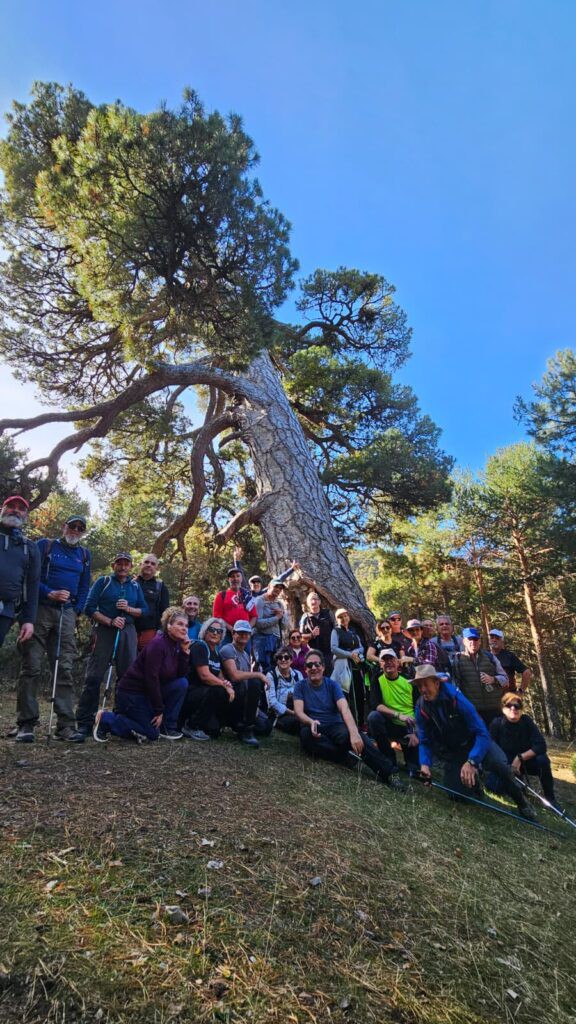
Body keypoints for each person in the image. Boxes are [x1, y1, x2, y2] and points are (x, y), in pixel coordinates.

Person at [413, 664, 536, 819]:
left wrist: (472, 761)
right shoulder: (421, 707)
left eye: (426, 685)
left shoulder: (456, 698)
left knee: (500, 765)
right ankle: (475, 784)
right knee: (455, 795)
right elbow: (424, 739)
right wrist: (424, 764)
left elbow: (481, 732)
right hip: (454, 750)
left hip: (477, 742)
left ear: (437, 683)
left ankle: (521, 802)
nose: (423, 690)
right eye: (419, 686)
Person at [14, 514, 91, 743]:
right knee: (32, 666)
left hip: (66, 614)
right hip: (40, 610)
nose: (76, 530)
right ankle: (26, 723)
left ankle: (65, 725)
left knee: (64, 667)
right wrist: (49, 592)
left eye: (80, 528)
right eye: (73, 526)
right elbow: (30, 577)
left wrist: (76, 609)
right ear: (64, 526)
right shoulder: (44, 546)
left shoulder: (84, 555)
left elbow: (85, 585)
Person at [293, 649, 406, 790]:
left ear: (323, 667)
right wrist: (310, 722)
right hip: (314, 726)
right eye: (310, 666)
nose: (314, 668)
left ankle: (390, 774)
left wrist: (354, 733)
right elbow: (298, 712)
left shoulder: (332, 685)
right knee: (305, 737)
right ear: (305, 669)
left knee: (360, 739)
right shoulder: (300, 686)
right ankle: (343, 757)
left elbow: (345, 709)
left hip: (335, 726)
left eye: (317, 664)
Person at [73, 553, 148, 740]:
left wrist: (129, 609)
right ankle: (84, 722)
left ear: (131, 567)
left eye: (126, 564)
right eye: (119, 564)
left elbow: (144, 610)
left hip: (127, 631)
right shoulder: (103, 582)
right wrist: (110, 621)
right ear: (113, 565)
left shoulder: (135, 585)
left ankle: (117, 720)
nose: (123, 567)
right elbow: (89, 607)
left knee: (126, 678)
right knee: (94, 676)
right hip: (105, 630)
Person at [93, 607, 190, 742]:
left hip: (147, 695)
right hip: (132, 694)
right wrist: (158, 710)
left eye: (186, 625)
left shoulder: (177, 645)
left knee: (181, 683)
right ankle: (107, 719)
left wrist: (185, 653)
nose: (184, 628)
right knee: (151, 733)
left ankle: (167, 727)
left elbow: (180, 674)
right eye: (180, 624)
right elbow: (151, 678)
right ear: (168, 626)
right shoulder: (158, 644)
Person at [487, 692, 559, 807]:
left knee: (543, 761)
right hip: (504, 764)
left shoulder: (527, 721)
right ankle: (516, 785)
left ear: (521, 709)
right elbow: (490, 748)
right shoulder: (496, 724)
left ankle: (551, 800)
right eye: (509, 705)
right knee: (494, 788)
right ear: (503, 708)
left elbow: (541, 745)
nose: (513, 708)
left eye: (517, 706)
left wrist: (520, 758)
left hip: (526, 762)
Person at [367, 649, 419, 771]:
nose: (388, 662)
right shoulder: (377, 679)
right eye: (385, 660)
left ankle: (413, 762)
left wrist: (415, 732)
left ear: (397, 662)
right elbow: (376, 705)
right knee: (373, 717)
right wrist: (398, 715)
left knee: (414, 769)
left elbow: (419, 707)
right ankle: (388, 757)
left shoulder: (409, 681)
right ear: (381, 664)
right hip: (390, 723)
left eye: (391, 659)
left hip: (409, 727)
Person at [0, 495, 40, 649]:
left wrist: (29, 620)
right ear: (2, 510)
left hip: (5, 611)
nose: (15, 511)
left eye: (21, 509)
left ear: (26, 517)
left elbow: (32, 585)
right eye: (11, 506)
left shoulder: (29, 547)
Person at [220, 620, 270, 741]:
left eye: (246, 633)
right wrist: (258, 674)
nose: (244, 635)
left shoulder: (246, 654)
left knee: (265, 728)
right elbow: (234, 676)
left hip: (245, 698)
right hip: (232, 696)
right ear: (233, 634)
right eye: (240, 632)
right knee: (255, 681)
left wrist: (254, 706)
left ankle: (246, 722)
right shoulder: (228, 649)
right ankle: (245, 729)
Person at [450, 627, 508, 727]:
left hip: (495, 709)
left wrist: (493, 679)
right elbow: (455, 685)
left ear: (480, 641)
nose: (473, 642)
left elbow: (505, 679)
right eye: (469, 639)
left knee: (498, 740)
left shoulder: (490, 657)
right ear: (464, 641)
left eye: (475, 639)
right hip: (473, 711)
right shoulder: (457, 659)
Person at [330, 608, 366, 725]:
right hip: (343, 668)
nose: (344, 618)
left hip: (356, 668)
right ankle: (349, 723)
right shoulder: (335, 631)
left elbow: (361, 647)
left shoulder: (353, 631)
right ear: (337, 620)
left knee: (359, 694)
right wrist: (350, 655)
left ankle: (361, 723)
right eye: (340, 617)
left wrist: (355, 652)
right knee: (347, 695)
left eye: (345, 616)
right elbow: (334, 648)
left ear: (349, 617)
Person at [134, 554, 170, 650]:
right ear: (140, 564)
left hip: (150, 633)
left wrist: (160, 632)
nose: (149, 565)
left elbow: (166, 612)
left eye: (153, 563)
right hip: (130, 631)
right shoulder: (130, 583)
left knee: (148, 663)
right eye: (146, 562)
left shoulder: (160, 586)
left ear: (156, 568)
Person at [266, 645, 304, 734]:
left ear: (291, 660)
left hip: (298, 710)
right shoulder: (271, 675)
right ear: (277, 660)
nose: (283, 660)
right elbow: (272, 702)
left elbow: (305, 695)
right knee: (298, 723)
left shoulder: (298, 675)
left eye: (286, 657)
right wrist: (294, 713)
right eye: (280, 657)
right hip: (280, 715)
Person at [253, 578, 287, 673]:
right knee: (264, 668)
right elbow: (258, 623)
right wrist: (276, 617)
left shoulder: (279, 603)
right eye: (276, 587)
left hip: (276, 640)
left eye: (280, 588)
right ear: (268, 587)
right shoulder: (259, 601)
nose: (278, 590)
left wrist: (282, 615)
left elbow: (284, 626)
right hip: (261, 639)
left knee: (276, 668)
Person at [212, 567, 256, 640]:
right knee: (226, 651)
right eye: (232, 576)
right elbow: (217, 617)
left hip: (245, 634)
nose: (235, 579)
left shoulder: (247, 596)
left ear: (241, 579)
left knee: (246, 652)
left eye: (238, 576)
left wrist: (247, 628)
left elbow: (254, 616)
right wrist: (232, 629)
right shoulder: (221, 595)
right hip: (227, 634)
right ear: (228, 579)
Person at [299, 592, 335, 675]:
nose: (314, 601)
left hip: (329, 652)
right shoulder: (305, 617)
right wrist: (311, 635)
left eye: (315, 599)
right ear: (308, 603)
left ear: (319, 602)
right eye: (311, 599)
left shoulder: (328, 613)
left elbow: (336, 629)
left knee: (330, 675)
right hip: (314, 653)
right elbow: (300, 636)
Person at [488, 629, 532, 694]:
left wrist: (521, 691)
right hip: (490, 697)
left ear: (502, 641)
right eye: (492, 638)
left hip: (508, 696)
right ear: (489, 640)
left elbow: (527, 672)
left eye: (497, 638)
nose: (494, 640)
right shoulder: (484, 655)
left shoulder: (509, 656)